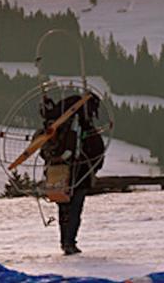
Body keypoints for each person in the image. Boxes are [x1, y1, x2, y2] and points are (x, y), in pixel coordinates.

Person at [40, 93, 106, 256]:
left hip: (58, 174)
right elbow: (97, 153)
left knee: (64, 209)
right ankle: (70, 242)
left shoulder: (56, 131)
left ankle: (65, 241)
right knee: (75, 210)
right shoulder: (86, 132)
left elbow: (43, 152)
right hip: (80, 177)